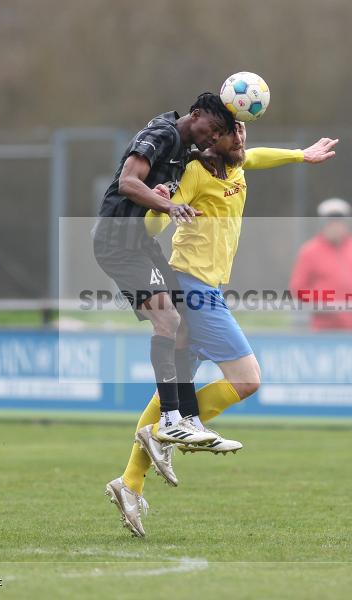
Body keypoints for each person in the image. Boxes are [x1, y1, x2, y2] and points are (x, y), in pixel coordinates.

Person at [105, 121, 339, 537]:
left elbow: (260, 157)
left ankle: (130, 482)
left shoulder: (235, 165)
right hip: (193, 287)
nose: (244, 140)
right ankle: (170, 432)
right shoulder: (195, 172)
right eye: (237, 133)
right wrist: (160, 202)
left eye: (246, 132)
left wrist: (300, 155)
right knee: (247, 380)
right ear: (217, 139)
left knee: (172, 391)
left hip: (205, 286)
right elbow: (155, 225)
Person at [93, 92, 236, 451]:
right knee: (167, 320)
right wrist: (168, 205)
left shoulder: (187, 147)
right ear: (196, 113)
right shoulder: (160, 135)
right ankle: (170, 421)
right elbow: (128, 182)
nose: (212, 138)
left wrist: (296, 155)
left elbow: (239, 159)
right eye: (211, 129)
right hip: (117, 242)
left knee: (185, 322)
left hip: (140, 243)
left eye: (220, 134)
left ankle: (187, 418)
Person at [289, 198, 352, 330]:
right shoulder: (310, 251)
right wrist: (326, 305)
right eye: (331, 222)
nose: (336, 226)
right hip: (325, 328)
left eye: (339, 222)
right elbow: (298, 288)